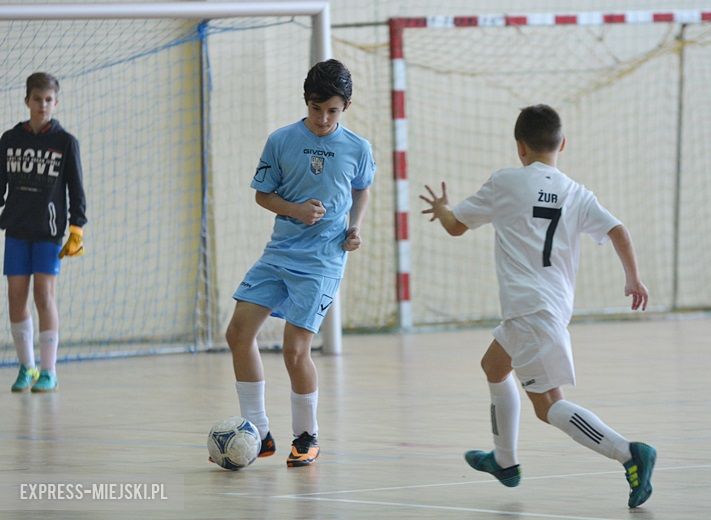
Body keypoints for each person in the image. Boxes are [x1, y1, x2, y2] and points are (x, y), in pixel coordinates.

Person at [419, 104, 656, 508]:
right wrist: (633, 277)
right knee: (494, 365)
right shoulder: (577, 193)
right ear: (563, 143)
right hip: (543, 308)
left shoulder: (506, 182)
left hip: (530, 310)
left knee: (549, 407)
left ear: (520, 147)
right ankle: (504, 461)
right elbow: (618, 230)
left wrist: (442, 208)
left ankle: (629, 453)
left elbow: (456, 226)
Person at [224, 59, 375, 468]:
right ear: (305, 101)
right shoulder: (281, 140)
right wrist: (294, 209)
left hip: (323, 262)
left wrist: (354, 228)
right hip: (279, 254)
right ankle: (258, 432)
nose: (323, 118)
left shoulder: (358, 148)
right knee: (238, 334)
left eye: (332, 110)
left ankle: (306, 437)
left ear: (345, 107)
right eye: (315, 108)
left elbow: (362, 190)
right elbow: (263, 195)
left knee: (295, 350)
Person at [1, 72, 87, 393]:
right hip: (16, 229)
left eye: (48, 100)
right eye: (37, 99)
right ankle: (27, 368)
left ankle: (49, 370)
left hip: (49, 232)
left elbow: (77, 190)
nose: (42, 105)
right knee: (15, 297)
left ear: (56, 102)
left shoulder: (65, 143)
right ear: (27, 101)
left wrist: (76, 228)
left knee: (44, 296)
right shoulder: (10, 140)